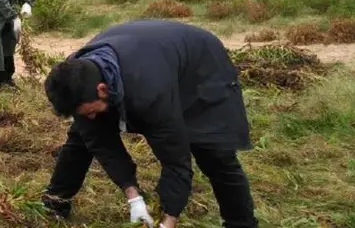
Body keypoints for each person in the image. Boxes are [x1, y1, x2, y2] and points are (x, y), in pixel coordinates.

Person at [42, 19, 258, 228]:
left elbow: (176, 160)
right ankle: (55, 202)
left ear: (102, 89)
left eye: (87, 111)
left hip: (200, 67)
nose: (88, 116)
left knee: (214, 152)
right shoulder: (73, 76)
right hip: (147, 52)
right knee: (83, 134)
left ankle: (241, 223)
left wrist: (168, 218)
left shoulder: (149, 94)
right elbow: (101, 143)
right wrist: (133, 196)